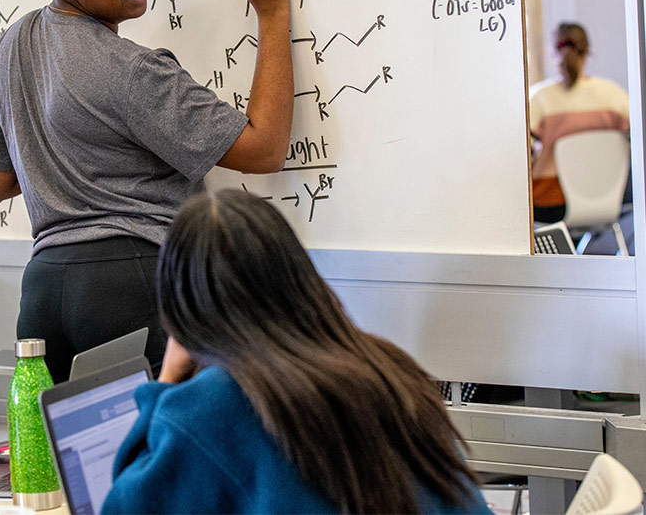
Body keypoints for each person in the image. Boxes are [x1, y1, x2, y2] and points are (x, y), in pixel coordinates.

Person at [0, 0, 293, 383]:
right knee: (160, 455)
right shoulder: (131, 71)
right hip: (133, 285)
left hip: (43, 294)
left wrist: (68, 154)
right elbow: (264, 149)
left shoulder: (8, 48)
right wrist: (273, 13)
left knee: (69, 464)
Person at [102, 190, 492, 515]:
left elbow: (122, 506)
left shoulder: (210, 404)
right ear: (296, 275)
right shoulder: (389, 366)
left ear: (182, 308)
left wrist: (167, 382)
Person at [530, 22, 630, 223]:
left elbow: (526, 154)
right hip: (609, 198)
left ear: (553, 52)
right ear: (587, 52)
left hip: (551, 203)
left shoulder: (539, 98)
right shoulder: (615, 95)